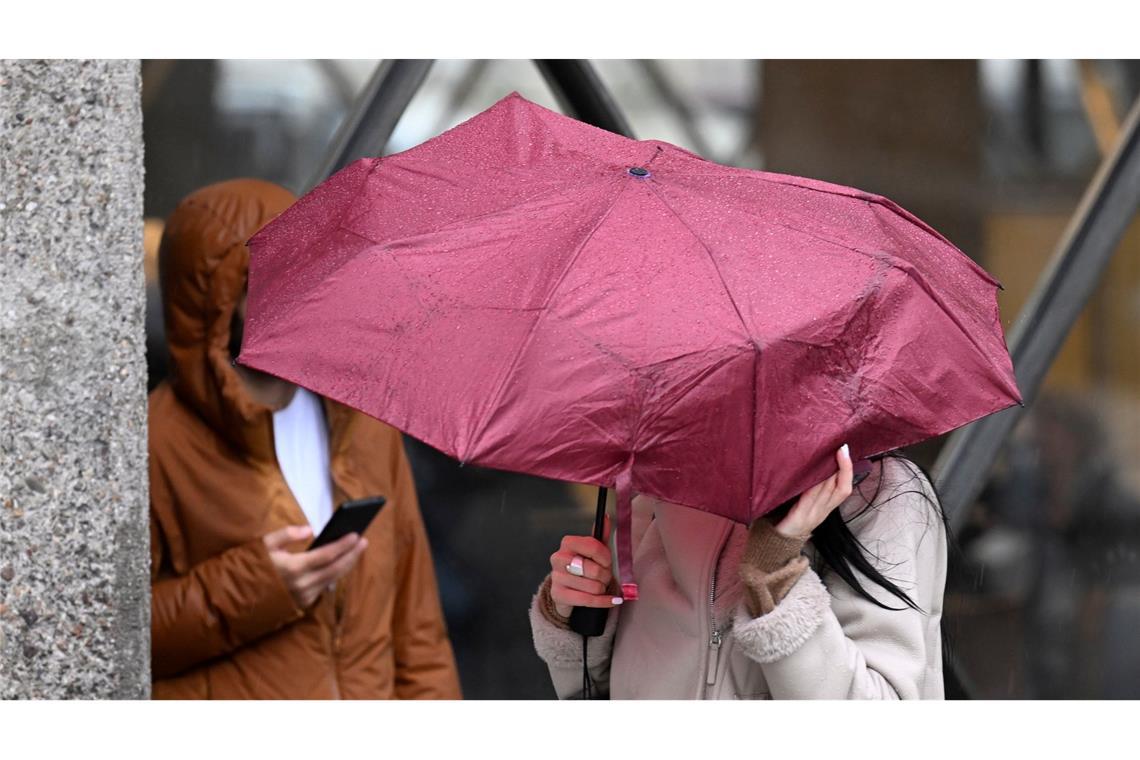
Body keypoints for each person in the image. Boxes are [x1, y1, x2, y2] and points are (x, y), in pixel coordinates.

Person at [148, 178, 461, 699]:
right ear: (214, 295)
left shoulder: (361, 419)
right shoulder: (157, 442)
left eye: (306, 264)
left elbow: (417, 628)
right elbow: (107, 635)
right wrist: (256, 589)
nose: (297, 285)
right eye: (269, 271)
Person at [530, 445, 947, 699]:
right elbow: (592, 692)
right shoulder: (664, 480)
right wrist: (576, 611)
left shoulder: (883, 492)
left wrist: (775, 579)